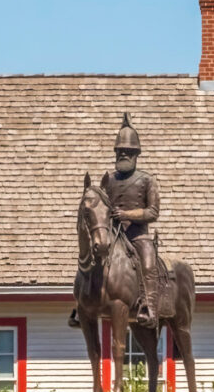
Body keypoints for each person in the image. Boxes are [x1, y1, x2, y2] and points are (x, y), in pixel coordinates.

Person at [69, 113, 161, 329]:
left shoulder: (147, 180)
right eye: (120, 151)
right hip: (113, 234)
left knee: (149, 263)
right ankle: (79, 304)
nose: (123, 155)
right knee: (88, 260)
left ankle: (149, 307)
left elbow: (153, 212)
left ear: (136, 154)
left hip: (138, 235)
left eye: (127, 152)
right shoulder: (108, 180)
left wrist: (127, 215)